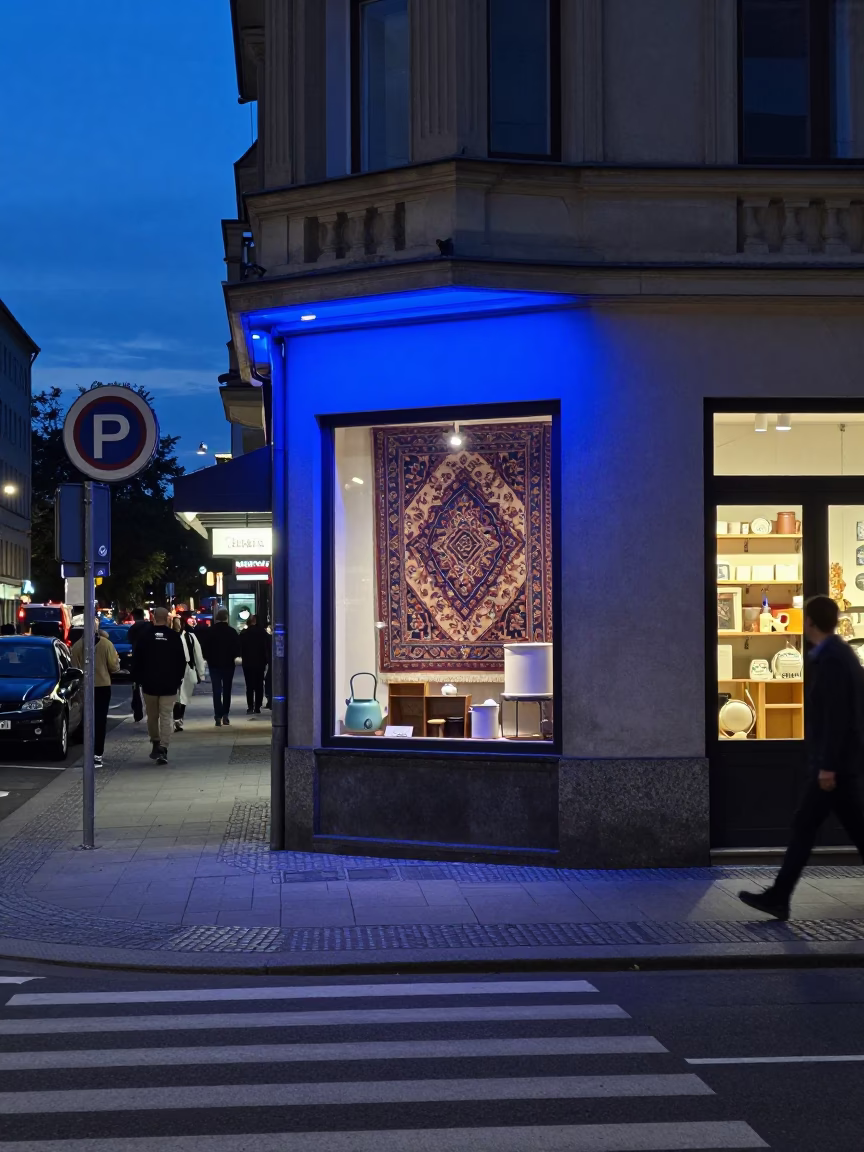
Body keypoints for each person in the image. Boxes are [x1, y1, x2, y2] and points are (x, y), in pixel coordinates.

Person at [739, 594, 864, 920]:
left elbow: (836, 717)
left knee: (806, 827)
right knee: (822, 828)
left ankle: (779, 897)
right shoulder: (838, 653)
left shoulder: (833, 658)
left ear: (809, 622)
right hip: (840, 766)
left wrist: (827, 765)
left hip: (834, 769)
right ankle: (779, 896)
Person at [131, 606, 186, 764]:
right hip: (169, 684)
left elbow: (137, 660)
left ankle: (155, 741)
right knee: (166, 716)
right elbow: (181, 661)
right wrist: (178, 679)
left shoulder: (145, 637)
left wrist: (138, 679)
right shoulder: (174, 637)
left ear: (153, 617)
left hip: (149, 684)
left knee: (152, 716)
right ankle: (164, 747)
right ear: (168, 618)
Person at [71, 617, 120, 769]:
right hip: (103, 686)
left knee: (86, 720)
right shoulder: (106, 645)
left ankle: (88, 752)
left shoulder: (77, 646)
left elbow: (75, 669)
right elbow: (114, 667)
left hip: (85, 687)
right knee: (100, 721)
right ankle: (98, 754)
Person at [200, 607, 240, 726]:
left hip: (214, 664)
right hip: (228, 664)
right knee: (227, 689)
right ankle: (225, 714)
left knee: (216, 690)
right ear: (227, 617)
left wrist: (208, 658)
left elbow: (204, 648)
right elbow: (237, 649)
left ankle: (217, 714)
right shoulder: (232, 632)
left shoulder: (210, 631)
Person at [173, 617, 206, 731]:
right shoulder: (170, 637)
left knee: (184, 697)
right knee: (176, 697)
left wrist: (201, 673)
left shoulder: (190, 637)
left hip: (188, 669)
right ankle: (177, 719)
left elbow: (198, 655)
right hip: (174, 670)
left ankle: (179, 717)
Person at [239, 614, 269, 715]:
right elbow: (267, 646)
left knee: (249, 685)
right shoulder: (262, 633)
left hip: (247, 663)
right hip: (260, 662)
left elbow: (240, 648)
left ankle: (250, 706)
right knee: (259, 685)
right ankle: (258, 706)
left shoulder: (244, 633)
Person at [126, 608, 151, 723]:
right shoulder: (149, 627)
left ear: (134, 617)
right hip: (149, 661)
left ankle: (138, 712)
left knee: (136, 688)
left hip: (137, 661)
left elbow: (130, 641)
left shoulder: (133, 629)